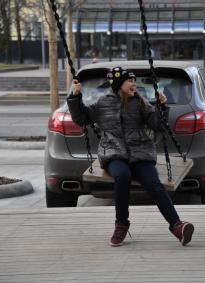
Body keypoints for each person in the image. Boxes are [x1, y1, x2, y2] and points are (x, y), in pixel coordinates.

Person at [67, 67, 194, 247]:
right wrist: (75, 97)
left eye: (134, 81)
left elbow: (158, 126)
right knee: (122, 175)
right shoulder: (103, 103)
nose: (134, 84)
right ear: (119, 84)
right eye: (130, 81)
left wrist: (162, 107)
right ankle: (121, 223)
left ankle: (177, 226)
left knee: (153, 183)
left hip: (140, 151)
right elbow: (82, 118)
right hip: (113, 152)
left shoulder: (140, 103)